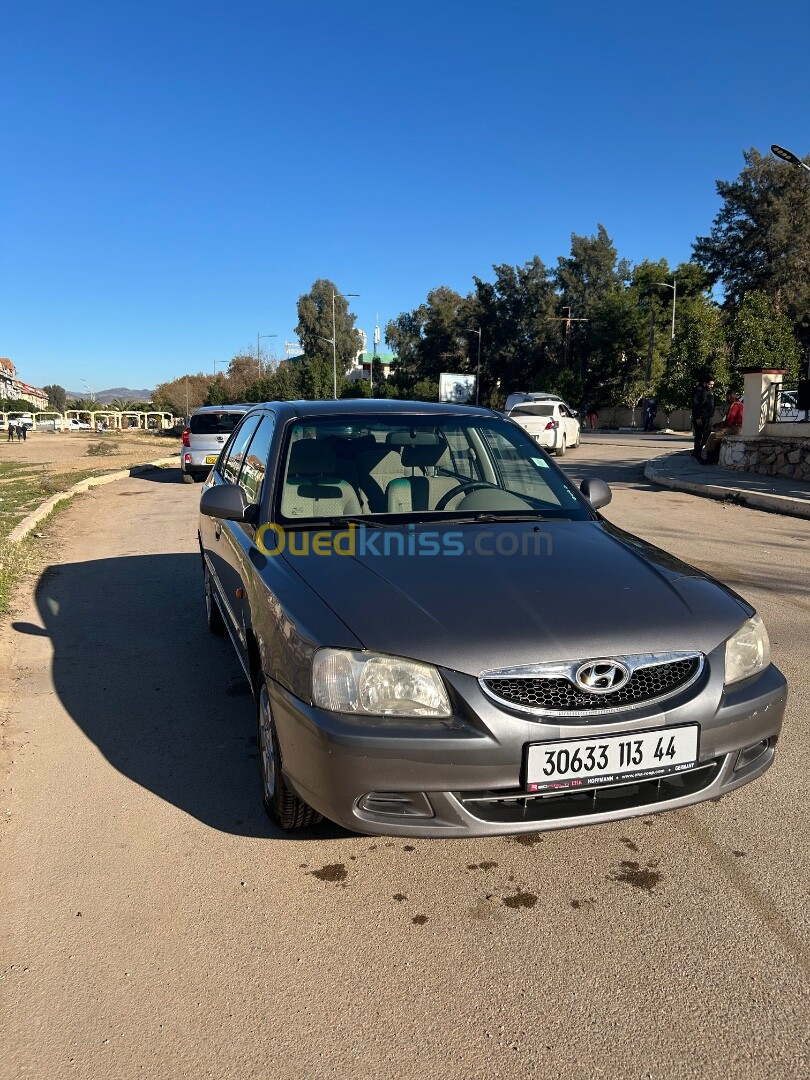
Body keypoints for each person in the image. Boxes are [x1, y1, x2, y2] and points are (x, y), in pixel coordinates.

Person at [702, 392, 742, 464]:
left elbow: (730, 419)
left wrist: (721, 426)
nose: (726, 399)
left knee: (712, 437)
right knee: (718, 438)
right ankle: (715, 457)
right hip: (738, 427)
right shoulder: (740, 404)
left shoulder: (734, 405)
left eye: (727, 397)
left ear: (730, 396)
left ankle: (710, 459)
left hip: (735, 428)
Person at [691, 376, 715, 459]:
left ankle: (697, 451)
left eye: (712, 384)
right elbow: (695, 404)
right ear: (705, 383)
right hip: (700, 418)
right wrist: (697, 417)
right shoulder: (699, 391)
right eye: (710, 384)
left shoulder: (710, 392)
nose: (711, 386)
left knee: (707, 435)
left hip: (708, 417)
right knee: (699, 436)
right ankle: (697, 453)